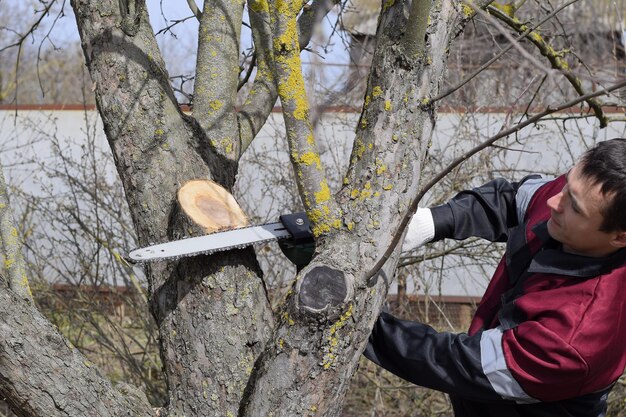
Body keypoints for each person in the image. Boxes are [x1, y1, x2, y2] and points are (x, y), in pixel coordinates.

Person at [364, 138, 626, 417]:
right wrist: (434, 222)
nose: (554, 201)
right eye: (567, 184)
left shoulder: (576, 338)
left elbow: (462, 364)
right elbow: (510, 199)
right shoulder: (575, 197)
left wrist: (363, 326)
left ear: (620, 237)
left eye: (574, 207)